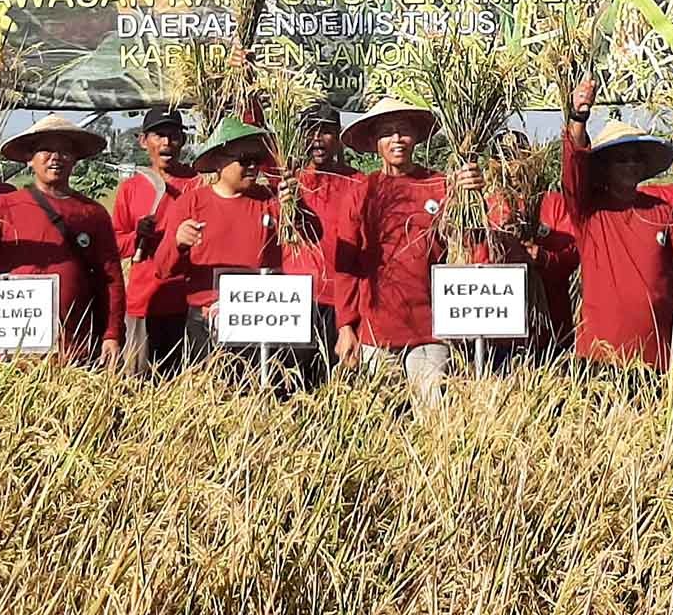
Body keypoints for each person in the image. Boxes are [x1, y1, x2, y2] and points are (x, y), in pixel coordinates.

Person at [339, 96, 486, 404]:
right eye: (387, 132)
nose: (396, 139)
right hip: (376, 330)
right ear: (375, 141)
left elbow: (470, 243)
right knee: (380, 423)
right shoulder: (362, 191)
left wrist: (472, 198)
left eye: (404, 130)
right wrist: (345, 326)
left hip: (431, 329)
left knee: (434, 418)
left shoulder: (442, 185)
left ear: (416, 137)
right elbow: (346, 267)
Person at [0, 114, 125, 363]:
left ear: (75, 159)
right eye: (46, 150)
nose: (56, 157)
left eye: (65, 151)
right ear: (30, 160)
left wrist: (112, 333)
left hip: (74, 345)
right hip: (13, 349)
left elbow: (110, 277)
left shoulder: (92, 213)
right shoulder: (4, 206)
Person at [559, 80, 673, 370]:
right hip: (599, 355)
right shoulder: (588, 209)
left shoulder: (660, 211)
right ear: (604, 166)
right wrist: (578, 115)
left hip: (657, 354)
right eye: (622, 159)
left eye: (637, 159)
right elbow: (573, 164)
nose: (631, 165)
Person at [150, 117, 285, 362]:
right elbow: (162, 268)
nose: (253, 167)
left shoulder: (270, 201)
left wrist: (296, 206)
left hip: (258, 317)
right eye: (245, 161)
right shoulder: (191, 203)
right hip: (205, 321)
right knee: (211, 395)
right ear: (219, 163)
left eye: (257, 160)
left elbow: (311, 235)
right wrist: (178, 242)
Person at [113, 106, 201, 375]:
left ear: (183, 140)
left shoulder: (200, 183)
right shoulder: (131, 188)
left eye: (173, 136)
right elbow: (116, 243)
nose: (166, 143)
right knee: (136, 384)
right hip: (143, 303)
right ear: (143, 141)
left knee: (188, 385)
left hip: (190, 304)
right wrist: (138, 237)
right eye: (159, 135)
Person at [286, 100, 365, 381]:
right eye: (309, 130)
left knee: (338, 386)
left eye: (325, 131)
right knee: (293, 386)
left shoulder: (357, 183)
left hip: (340, 303)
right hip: (293, 301)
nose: (317, 138)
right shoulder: (287, 182)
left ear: (339, 135)